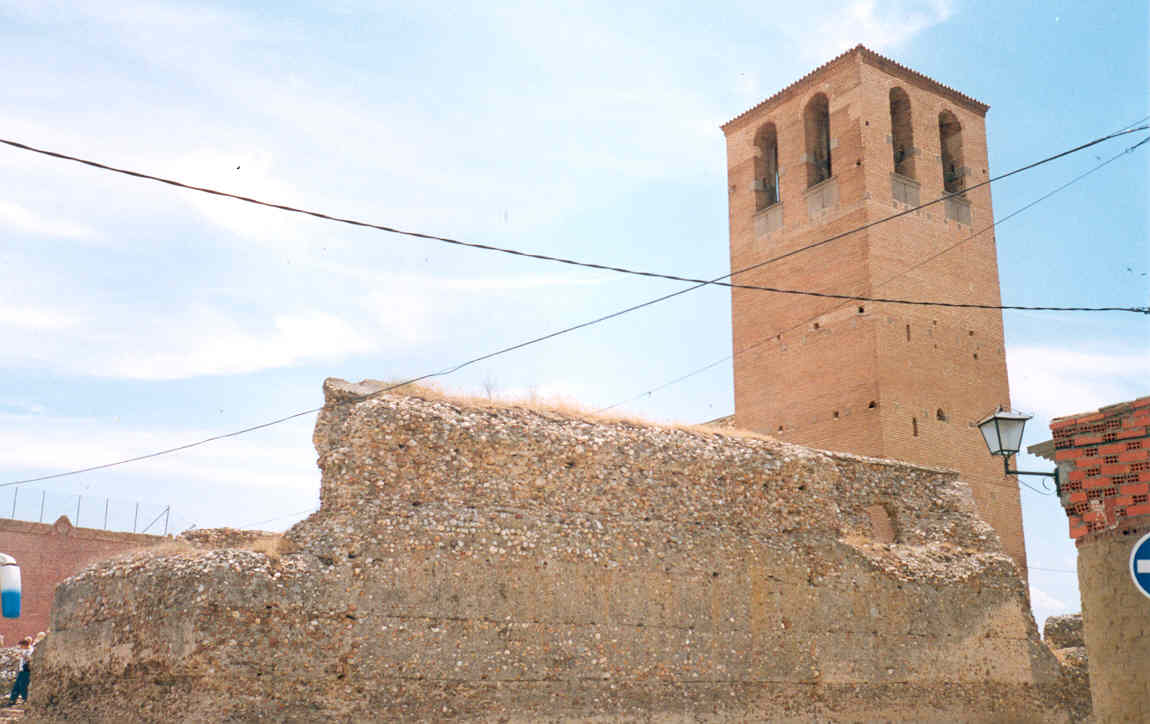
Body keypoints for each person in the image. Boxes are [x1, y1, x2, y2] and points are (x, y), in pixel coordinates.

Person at [7, 636, 33, 705]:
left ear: (25, 645)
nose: (21, 647)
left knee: (23, 686)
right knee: (16, 685)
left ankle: (26, 699)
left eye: (21, 646)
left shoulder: (30, 650)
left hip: (26, 671)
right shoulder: (24, 650)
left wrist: (23, 656)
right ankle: (12, 700)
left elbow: (29, 660)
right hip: (21, 670)